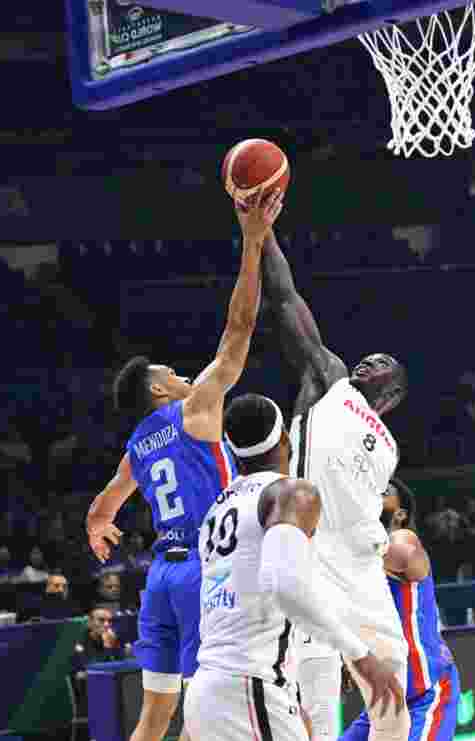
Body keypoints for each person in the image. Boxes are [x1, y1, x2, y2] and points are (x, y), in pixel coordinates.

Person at [85, 189, 283, 741]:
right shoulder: (195, 408)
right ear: (157, 388)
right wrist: (252, 242)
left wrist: (99, 528)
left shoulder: (137, 446)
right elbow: (240, 327)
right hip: (204, 570)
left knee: (153, 717)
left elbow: (101, 510)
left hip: (161, 579)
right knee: (205, 708)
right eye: (170, 372)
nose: (181, 374)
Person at [261, 232, 411, 741]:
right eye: (368, 357)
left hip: (363, 562)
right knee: (316, 700)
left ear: (393, 390)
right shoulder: (333, 379)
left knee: (395, 688)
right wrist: (263, 235)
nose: (369, 361)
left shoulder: (389, 446)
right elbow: (287, 299)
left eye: (382, 362)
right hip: (313, 549)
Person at [186, 394, 402, 741]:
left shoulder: (218, 509)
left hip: (210, 689)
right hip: (250, 687)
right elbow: (283, 583)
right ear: (285, 437)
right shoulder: (292, 493)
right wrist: (360, 654)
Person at [341, 478, 461, 741]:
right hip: (385, 699)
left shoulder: (403, 540)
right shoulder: (353, 557)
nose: (372, 493)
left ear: (400, 514)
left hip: (426, 693)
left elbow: (402, 553)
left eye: (383, 492)